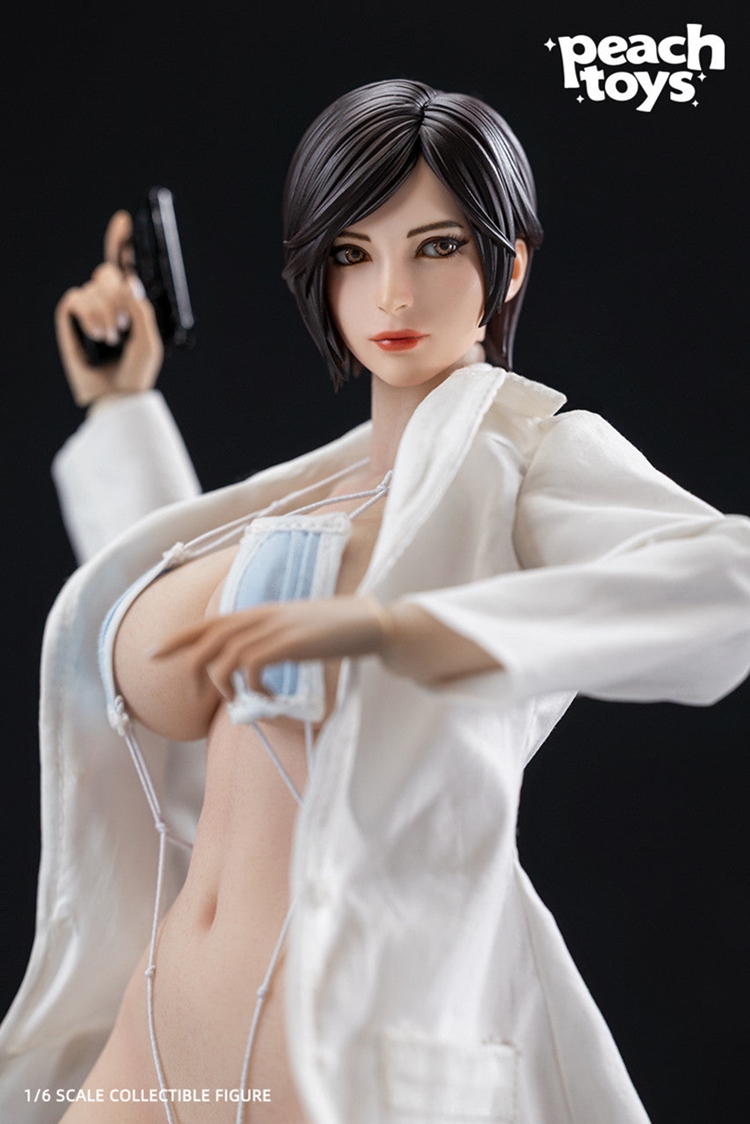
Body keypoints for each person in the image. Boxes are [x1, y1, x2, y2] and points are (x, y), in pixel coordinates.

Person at [2, 78, 749, 1124]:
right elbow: (224, 644)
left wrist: (409, 629)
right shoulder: (322, 490)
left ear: (508, 263)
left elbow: (730, 580)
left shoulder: (526, 459)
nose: (393, 293)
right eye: (354, 253)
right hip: (149, 1040)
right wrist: (123, 405)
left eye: (436, 246)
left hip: (326, 1053)